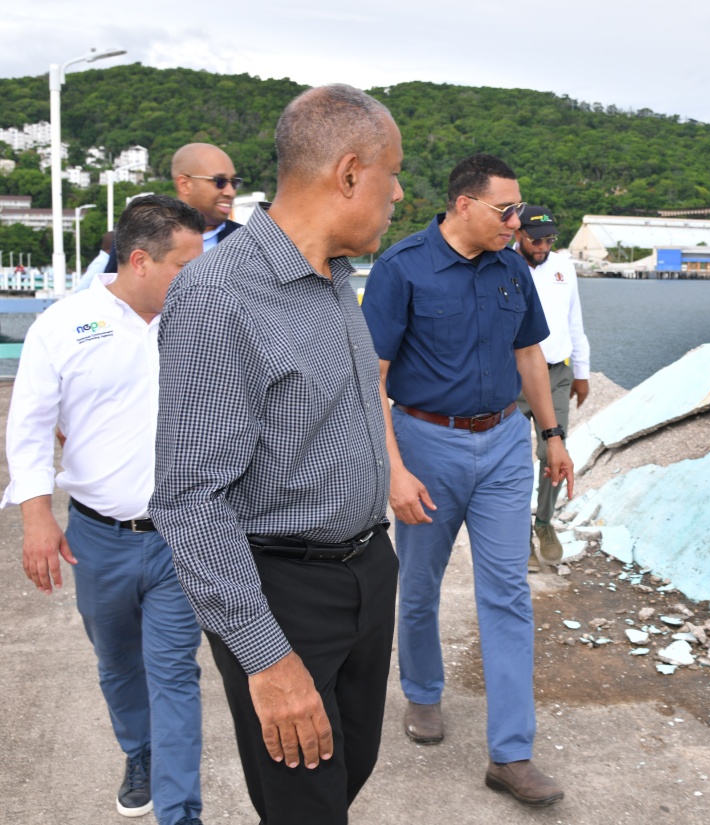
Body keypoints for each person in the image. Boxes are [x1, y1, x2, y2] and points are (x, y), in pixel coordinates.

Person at [148, 84, 403, 825]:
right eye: (392, 175)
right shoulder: (222, 295)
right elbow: (190, 501)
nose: (398, 194)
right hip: (284, 591)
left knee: (348, 769)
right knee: (306, 804)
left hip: (367, 568)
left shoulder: (335, 281)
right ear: (350, 173)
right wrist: (264, 656)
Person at [362, 153, 573, 808]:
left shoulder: (512, 265)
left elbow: (529, 351)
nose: (518, 221)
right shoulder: (403, 268)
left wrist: (551, 433)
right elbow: (372, 378)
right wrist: (393, 468)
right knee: (419, 582)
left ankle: (511, 752)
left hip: (506, 441)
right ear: (463, 205)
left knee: (508, 590)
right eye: (505, 210)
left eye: (519, 209)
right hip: (427, 442)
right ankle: (423, 694)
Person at [3, 195, 207, 825]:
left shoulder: (201, 319)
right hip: (98, 538)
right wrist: (37, 517)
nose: (197, 279)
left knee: (174, 672)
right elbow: (31, 425)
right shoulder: (64, 324)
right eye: (185, 266)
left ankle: (181, 813)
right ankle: (138, 751)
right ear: (139, 260)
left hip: (182, 535)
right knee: (117, 664)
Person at [513, 206, 591, 570]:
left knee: (553, 455)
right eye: (536, 239)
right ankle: (520, 535)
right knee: (512, 462)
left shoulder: (564, 268)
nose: (543, 245)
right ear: (518, 235)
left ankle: (544, 522)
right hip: (512, 378)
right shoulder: (502, 265)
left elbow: (574, 320)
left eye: (549, 239)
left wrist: (582, 372)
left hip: (557, 374)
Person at [104, 143, 244, 274]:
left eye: (234, 182)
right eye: (220, 182)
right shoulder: (136, 235)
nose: (230, 192)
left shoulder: (248, 243)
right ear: (185, 184)